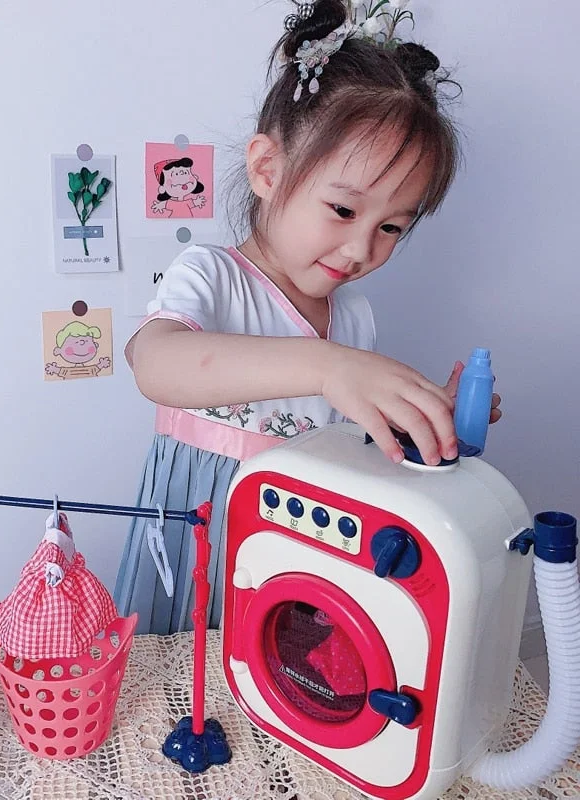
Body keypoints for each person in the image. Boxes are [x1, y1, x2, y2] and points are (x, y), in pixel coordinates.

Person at [115, 0, 501, 635]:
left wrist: (421, 415)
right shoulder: (211, 276)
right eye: (344, 211)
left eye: (392, 228)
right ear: (268, 168)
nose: (361, 250)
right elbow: (154, 365)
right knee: (194, 688)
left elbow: (346, 446)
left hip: (294, 553)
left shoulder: (353, 316)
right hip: (202, 547)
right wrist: (327, 367)